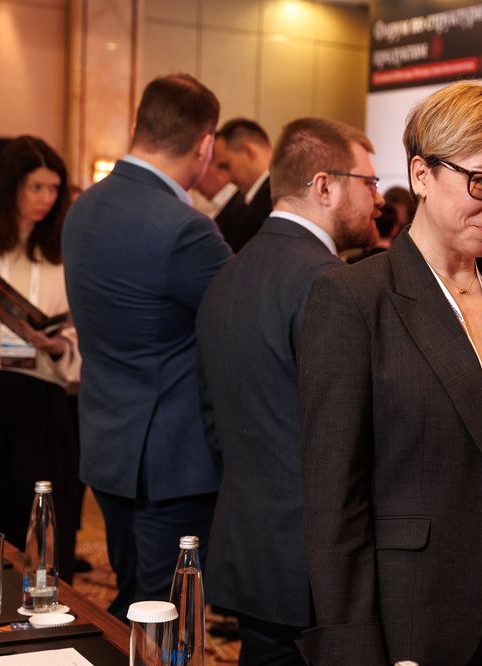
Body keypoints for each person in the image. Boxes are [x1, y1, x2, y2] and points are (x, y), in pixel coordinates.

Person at [297, 81, 482, 665]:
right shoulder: (354, 298)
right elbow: (334, 500)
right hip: (418, 609)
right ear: (421, 174)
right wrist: (353, 649)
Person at [197, 117, 382, 665]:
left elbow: (214, 420)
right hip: (314, 561)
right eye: (369, 183)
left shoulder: (228, 271)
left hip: (250, 543)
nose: (377, 199)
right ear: (324, 186)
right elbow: (346, 435)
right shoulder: (330, 284)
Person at [62, 73, 231, 621]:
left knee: (133, 601)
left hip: (109, 445)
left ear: (140, 125)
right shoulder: (185, 228)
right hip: (172, 461)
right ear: (205, 144)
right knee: (167, 618)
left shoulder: (84, 207)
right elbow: (244, 321)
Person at [0, 135, 81, 582]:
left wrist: (59, 343)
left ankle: (48, 599)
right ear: (10, 186)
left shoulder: (63, 248)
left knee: (43, 508)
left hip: (43, 393)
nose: (47, 198)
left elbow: (81, 324)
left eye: (54, 189)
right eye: (36, 187)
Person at [213, 118, 272, 252]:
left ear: (249, 152)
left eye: (226, 166)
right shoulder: (244, 195)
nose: (226, 177)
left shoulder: (274, 197)